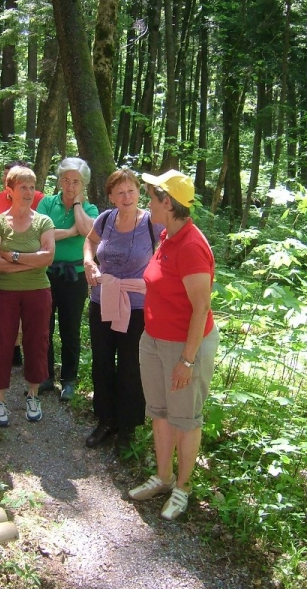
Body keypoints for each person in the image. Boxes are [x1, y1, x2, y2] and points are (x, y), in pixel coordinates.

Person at [127, 169, 220, 521]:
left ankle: (183, 487)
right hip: (154, 340)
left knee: (185, 420)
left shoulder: (192, 246)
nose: (147, 202)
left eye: (152, 197)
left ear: (168, 203)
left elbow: (201, 308)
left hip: (184, 346)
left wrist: (187, 360)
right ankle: (163, 478)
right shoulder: (167, 235)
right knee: (161, 413)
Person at [83, 169, 164, 452]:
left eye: (131, 191)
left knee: (131, 366)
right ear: (111, 197)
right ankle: (106, 420)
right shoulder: (105, 219)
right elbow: (90, 241)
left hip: (137, 305)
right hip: (102, 299)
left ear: (139, 192)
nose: (127, 197)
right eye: (120, 192)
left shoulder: (152, 223)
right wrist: (88, 262)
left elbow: (168, 254)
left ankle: (127, 427)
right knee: (102, 362)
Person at [0, 165, 55, 426]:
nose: (28, 192)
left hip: (38, 291)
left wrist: (12, 256)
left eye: (32, 187)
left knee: (37, 342)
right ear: (9, 190)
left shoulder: (43, 222)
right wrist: (32, 261)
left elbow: (48, 258)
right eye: (23, 187)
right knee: (2, 343)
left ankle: (33, 396)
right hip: (5, 292)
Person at [36, 157, 98, 401]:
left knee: (70, 329)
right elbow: (40, 233)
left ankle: (69, 380)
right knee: (44, 326)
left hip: (75, 276)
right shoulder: (47, 203)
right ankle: (45, 376)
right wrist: (71, 231)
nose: (70, 186)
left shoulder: (90, 210)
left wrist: (78, 205)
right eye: (66, 180)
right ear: (59, 180)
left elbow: (88, 230)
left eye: (76, 182)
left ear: (83, 184)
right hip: (46, 273)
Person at [0, 160, 45, 367]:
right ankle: (11, 349)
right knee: (5, 313)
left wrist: (18, 257)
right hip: (1, 263)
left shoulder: (37, 198)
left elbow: (46, 233)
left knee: (26, 317)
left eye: (9, 175)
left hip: (29, 271)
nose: (5, 179)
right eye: (4, 175)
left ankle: (19, 351)